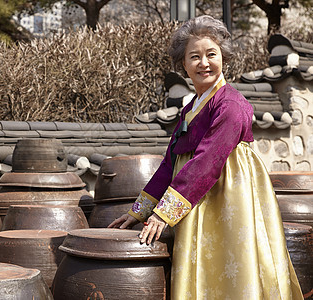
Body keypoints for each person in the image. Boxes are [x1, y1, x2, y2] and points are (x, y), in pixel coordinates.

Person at [108, 15, 303, 299]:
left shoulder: (232, 104)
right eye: (194, 56)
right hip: (193, 199)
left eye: (211, 54)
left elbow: (207, 160)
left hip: (229, 202)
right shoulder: (189, 110)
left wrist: (164, 213)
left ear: (223, 57)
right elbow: (170, 164)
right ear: (184, 65)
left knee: (232, 271)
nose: (204, 63)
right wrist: (139, 211)